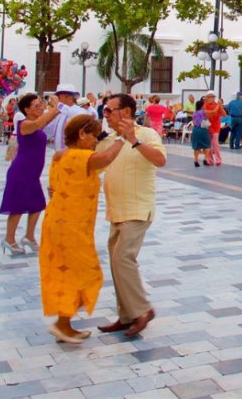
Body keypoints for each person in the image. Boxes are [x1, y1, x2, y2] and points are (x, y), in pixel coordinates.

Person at [39, 113, 126, 343]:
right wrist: (123, 138)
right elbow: (106, 158)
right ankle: (61, 324)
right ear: (81, 134)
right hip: (70, 226)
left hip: (61, 222)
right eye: (93, 136)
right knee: (82, 273)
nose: (95, 141)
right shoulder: (81, 156)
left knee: (68, 273)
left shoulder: (60, 155)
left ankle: (64, 325)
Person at [95, 93, 166, 338]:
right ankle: (126, 315)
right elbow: (96, 165)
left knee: (124, 257)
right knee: (116, 261)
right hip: (116, 210)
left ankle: (142, 310)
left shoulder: (147, 134)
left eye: (109, 110)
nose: (105, 114)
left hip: (137, 208)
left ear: (126, 112)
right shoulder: (110, 139)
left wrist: (134, 140)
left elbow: (160, 160)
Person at [0, 93, 61, 256]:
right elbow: (42, 122)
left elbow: (46, 122)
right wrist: (55, 107)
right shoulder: (24, 124)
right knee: (17, 207)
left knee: (37, 204)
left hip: (33, 173)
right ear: (27, 109)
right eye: (36, 105)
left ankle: (29, 236)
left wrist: (57, 108)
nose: (40, 107)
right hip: (22, 171)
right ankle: (9, 238)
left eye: (41, 104)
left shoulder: (36, 123)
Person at [43, 84, 86, 150]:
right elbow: (48, 129)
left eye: (59, 98)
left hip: (73, 154)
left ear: (70, 99)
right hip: (60, 154)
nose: (57, 100)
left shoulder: (79, 111)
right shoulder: (60, 113)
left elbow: (75, 114)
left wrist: (58, 105)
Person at [190, 97, 213, 167]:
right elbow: (213, 112)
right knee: (206, 145)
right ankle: (205, 159)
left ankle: (196, 160)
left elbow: (194, 122)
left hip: (196, 129)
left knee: (196, 146)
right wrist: (219, 106)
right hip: (203, 130)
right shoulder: (204, 112)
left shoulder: (194, 113)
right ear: (202, 106)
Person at [203, 95, 225, 166]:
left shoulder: (217, 105)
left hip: (215, 127)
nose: (210, 98)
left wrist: (220, 106)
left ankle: (218, 159)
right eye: (208, 97)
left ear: (214, 98)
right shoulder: (204, 106)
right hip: (208, 127)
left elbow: (224, 115)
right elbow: (208, 113)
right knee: (208, 144)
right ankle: (210, 160)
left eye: (211, 97)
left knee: (215, 144)